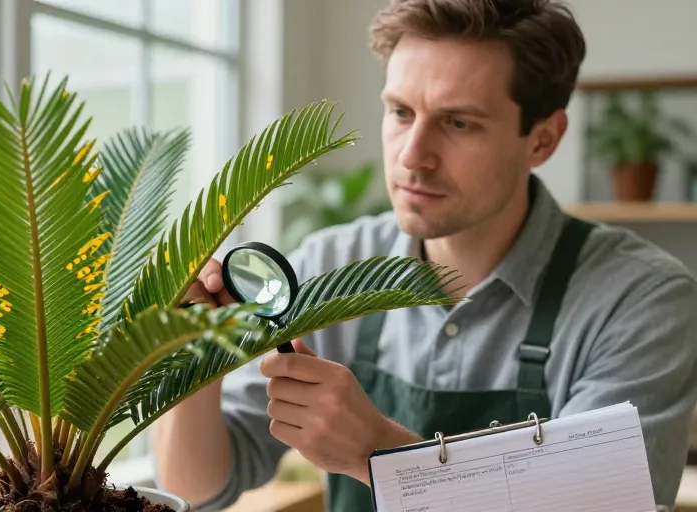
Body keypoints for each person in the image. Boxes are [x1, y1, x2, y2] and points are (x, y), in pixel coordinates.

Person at [150, 0, 697, 510]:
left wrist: (380, 453)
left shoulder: (641, 299)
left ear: (543, 139)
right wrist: (194, 355)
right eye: (400, 112)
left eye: (459, 123)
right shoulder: (331, 264)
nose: (413, 157)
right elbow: (196, 489)